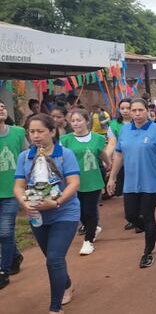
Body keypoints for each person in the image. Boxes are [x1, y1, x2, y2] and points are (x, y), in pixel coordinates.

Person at [13, 114, 80, 313]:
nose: (35, 136)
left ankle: (55, 307)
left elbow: (74, 183)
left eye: (40, 131)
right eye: (31, 132)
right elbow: (18, 186)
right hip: (37, 215)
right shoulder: (25, 156)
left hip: (64, 212)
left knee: (54, 258)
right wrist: (24, 203)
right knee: (53, 258)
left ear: (52, 131)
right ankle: (66, 284)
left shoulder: (64, 154)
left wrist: (56, 202)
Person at [106, 99, 156, 269]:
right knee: (130, 216)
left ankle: (147, 252)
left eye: (140, 110)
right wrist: (112, 177)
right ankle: (153, 233)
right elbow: (119, 155)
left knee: (148, 216)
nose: (136, 113)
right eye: (133, 110)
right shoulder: (125, 130)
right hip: (130, 182)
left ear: (147, 111)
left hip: (150, 182)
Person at [59, 109, 110, 256]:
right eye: (73, 120)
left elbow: (102, 153)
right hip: (74, 180)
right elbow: (61, 158)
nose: (76, 123)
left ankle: (88, 241)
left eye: (79, 120)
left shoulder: (97, 138)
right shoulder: (66, 140)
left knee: (90, 210)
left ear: (87, 121)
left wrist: (109, 164)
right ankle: (93, 228)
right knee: (79, 211)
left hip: (93, 178)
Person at [0, 101, 26, 289]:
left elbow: (27, 156)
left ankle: (3, 271)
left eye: (2, 105)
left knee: (5, 230)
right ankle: (16, 255)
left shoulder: (18, 132)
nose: (1, 107)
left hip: (13, 190)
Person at [105, 99, 132, 205]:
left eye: (128, 108)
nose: (125, 111)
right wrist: (106, 158)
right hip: (121, 160)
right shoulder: (114, 125)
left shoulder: (140, 122)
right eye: (122, 108)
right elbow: (112, 143)